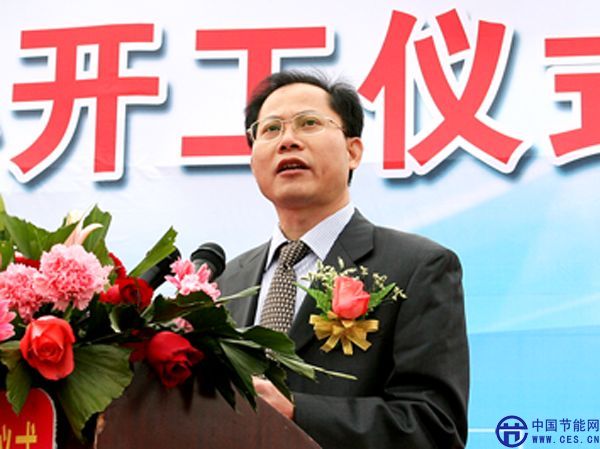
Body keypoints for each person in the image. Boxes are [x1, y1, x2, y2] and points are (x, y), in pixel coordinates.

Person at [217, 70, 469, 449]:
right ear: (253, 159)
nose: (288, 140)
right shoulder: (226, 282)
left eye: (309, 123)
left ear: (353, 151)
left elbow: (434, 427)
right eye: (270, 129)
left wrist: (297, 412)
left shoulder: (417, 267)